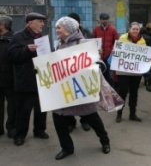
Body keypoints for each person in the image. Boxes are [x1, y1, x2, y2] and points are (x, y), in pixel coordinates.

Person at [53, 16, 110, 160]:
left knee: (93, 118)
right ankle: (67, 148)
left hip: (81, 90)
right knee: (58, 118)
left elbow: (100, 63)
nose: (56, 30)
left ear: (69, 29)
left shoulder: (84, 43)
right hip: (65, 90)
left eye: (59, 27)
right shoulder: (59, 44)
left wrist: (97, 66)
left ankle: (105, 141)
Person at [8, 12, 49, 146]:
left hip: (41, 80)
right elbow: (12, 56)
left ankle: (39, 130)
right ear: (30, 23)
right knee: (23, 111)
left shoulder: (42, 38)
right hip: (25, 81)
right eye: (40, 21)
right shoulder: (18, 37)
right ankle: (19, 135)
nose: (42, 24)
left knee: (41, 109)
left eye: (43, 21)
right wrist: (26, 50)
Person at [115, 22, 146, 123]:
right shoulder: (123, 38)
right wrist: (115, 52)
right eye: (133, 29)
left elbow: (144, 54)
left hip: (136, 71)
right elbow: (118, 50)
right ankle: (119, 114)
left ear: (139, 30)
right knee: (122, 92)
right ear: (130, 29)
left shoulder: (142, 40)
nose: (135, 31)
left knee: (134, 93)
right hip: (123, 71)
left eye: (137, 29)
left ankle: (133, 114)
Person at [67, 12, 91, 132]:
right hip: (68, 72)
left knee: (84, 98)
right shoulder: (64, 34)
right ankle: (70, 121)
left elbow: (92, 49)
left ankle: (85, 120)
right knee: (70, 98)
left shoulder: (85, 33)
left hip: (83, 70)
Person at [0, 15, 16, 138]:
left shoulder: (14, 39)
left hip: (11, 79)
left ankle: (11, 128)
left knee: (12, 106)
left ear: (3, 26)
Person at [92, 13, 119, 86]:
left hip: (109, 56)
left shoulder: (113, 30)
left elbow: (116, 42)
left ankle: (111, 92)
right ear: (100, 20)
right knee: (99, 75)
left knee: (110, 76)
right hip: (99, 56)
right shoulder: (96, 30)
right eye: (103, 19)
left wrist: (112, 49)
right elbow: (93, 41)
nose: (105, 21)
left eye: (106, 19)